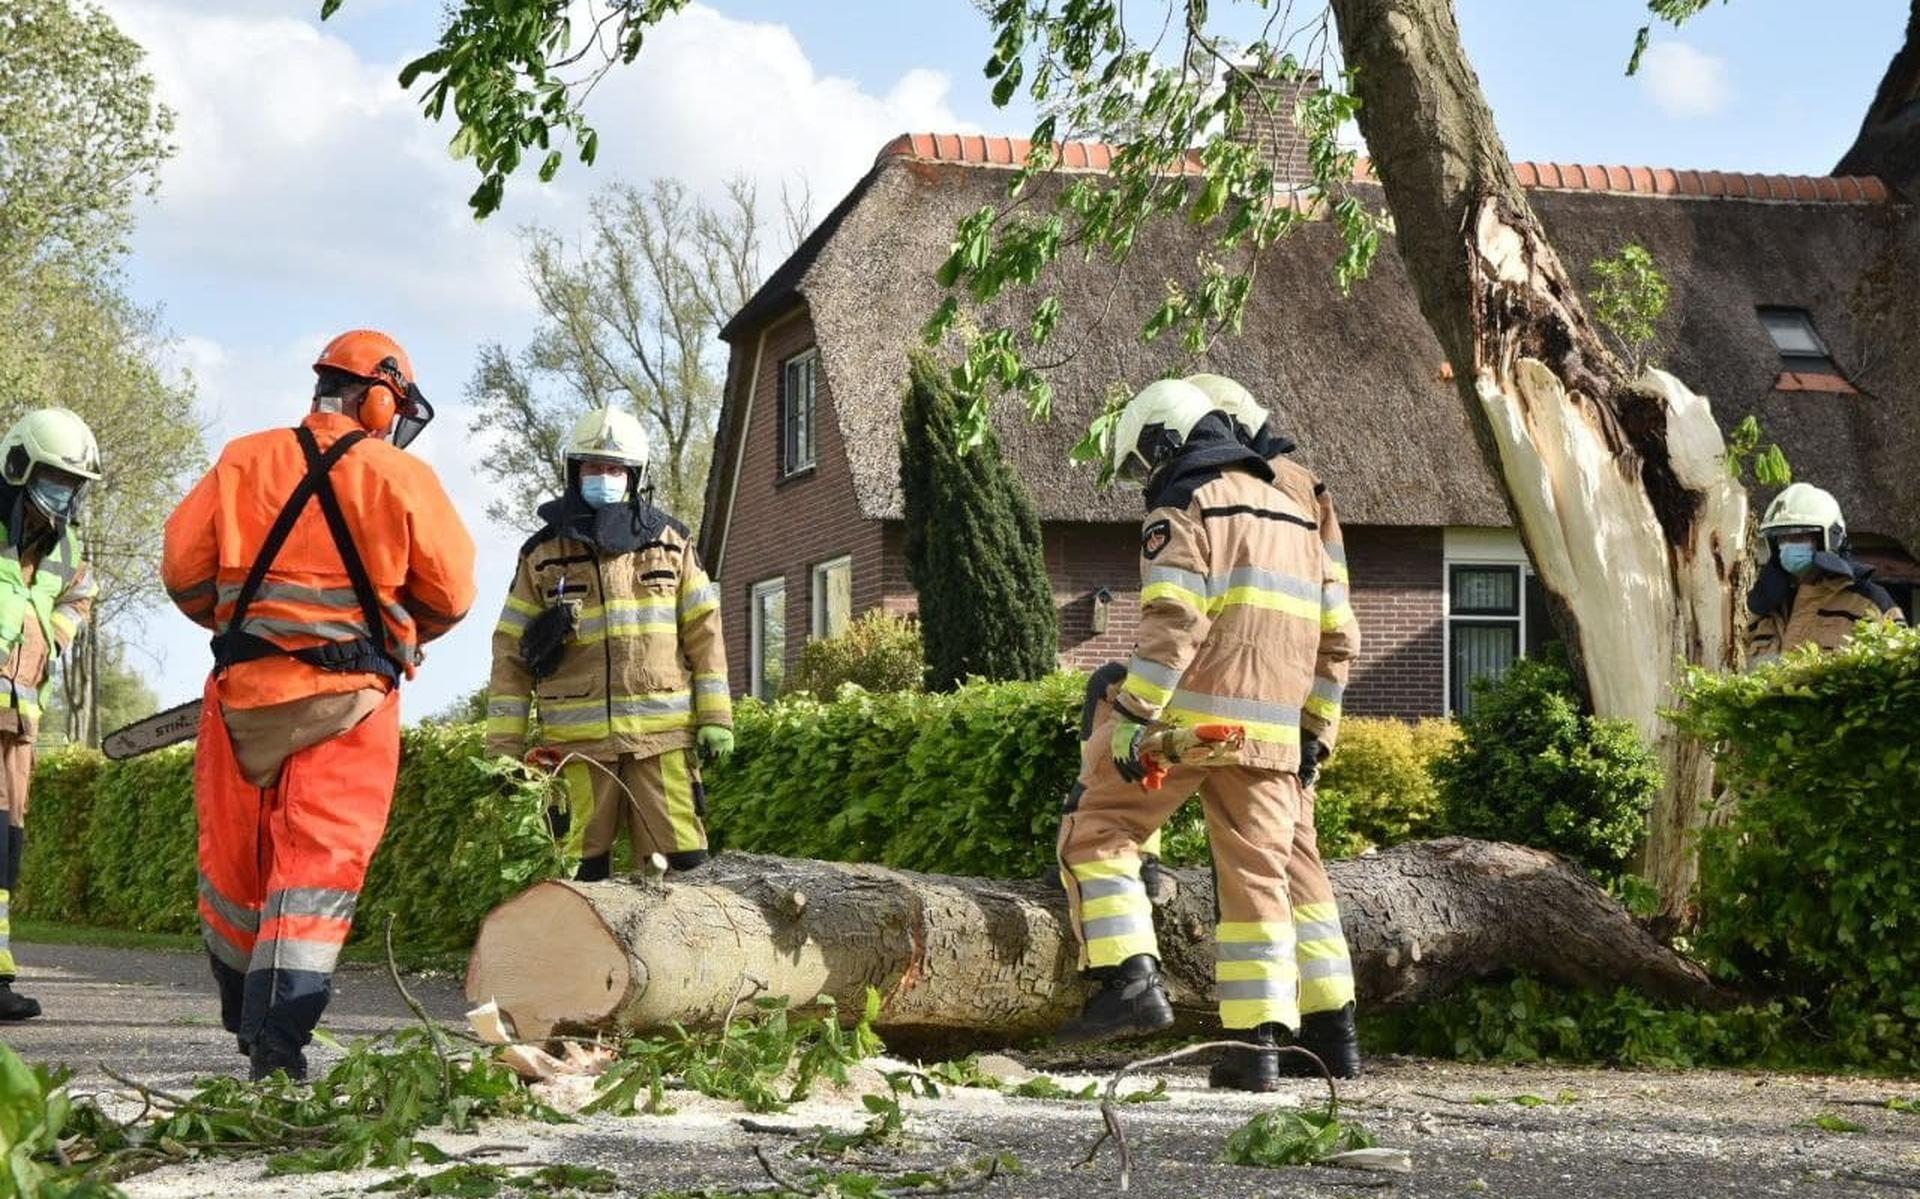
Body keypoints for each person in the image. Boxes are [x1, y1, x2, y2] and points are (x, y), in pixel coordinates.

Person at [162, 330, 476, 1079]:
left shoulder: (243, 458)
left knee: (237, 872)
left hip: (241, 700)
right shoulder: (399, 476)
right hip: (350, 708)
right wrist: (396, 629)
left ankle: (246, 1018)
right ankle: (279, 1040)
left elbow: (182, 572)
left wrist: (251, 628)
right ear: (378, 396)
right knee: (314, 876)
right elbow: (453, 592)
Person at [1055, 377, 1362, 1093]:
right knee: (1272, 876)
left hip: (1188, 726)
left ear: (1166, 438)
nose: (1144, 478)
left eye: (1141, 461)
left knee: (1097, 827)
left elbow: (1174, 626)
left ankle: (1127, 975)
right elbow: (1338, 636)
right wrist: (1316, 730)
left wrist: (1131, 721)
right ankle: (1275, 1044)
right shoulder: (1297, 510)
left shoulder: (1186, 503)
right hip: (1275, 737)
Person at [485, 407, 732, 881]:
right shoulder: (541, 555)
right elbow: (511, 655)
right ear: (574, 472)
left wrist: (717, 717)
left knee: (681, 870)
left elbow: (705, 634)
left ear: (635, 476)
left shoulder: (672, 543)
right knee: (579, 874)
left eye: (615, 469)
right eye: (593, 467)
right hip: (578, 751)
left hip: (662, 746)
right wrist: (503, 748)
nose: (604, 477)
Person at [0, 409, 100, 1022]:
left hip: (16, 725)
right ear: (18, 467)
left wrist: (52, 638)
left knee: (3, 852)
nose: (62, 497)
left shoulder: (66, 548)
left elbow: (81, 595)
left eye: (72, 485)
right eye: (55, 480)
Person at [1746, 483, 1905, 667]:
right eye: (1782, 538)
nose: (1788, 545)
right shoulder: (1766, 609)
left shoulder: (1870, 602)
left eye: (1799, 536)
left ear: (1829, 538)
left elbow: (1899, 673)